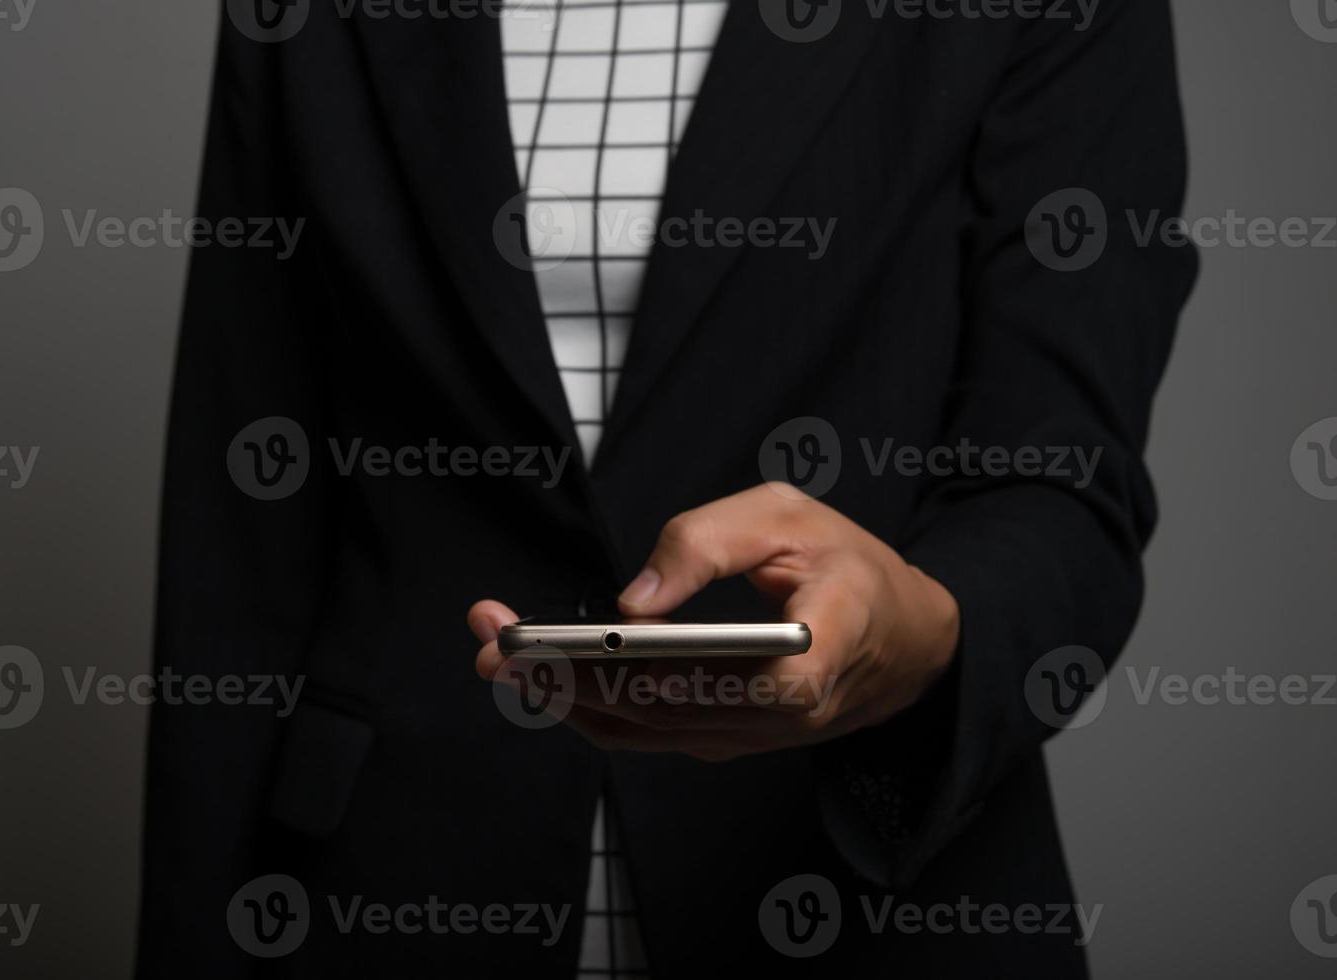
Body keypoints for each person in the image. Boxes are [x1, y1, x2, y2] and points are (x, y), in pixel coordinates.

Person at [138, 0, 1197, 975]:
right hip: (387, 892)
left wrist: (914, 623)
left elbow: (1060, 475)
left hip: (858, 886)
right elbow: (237, 529)